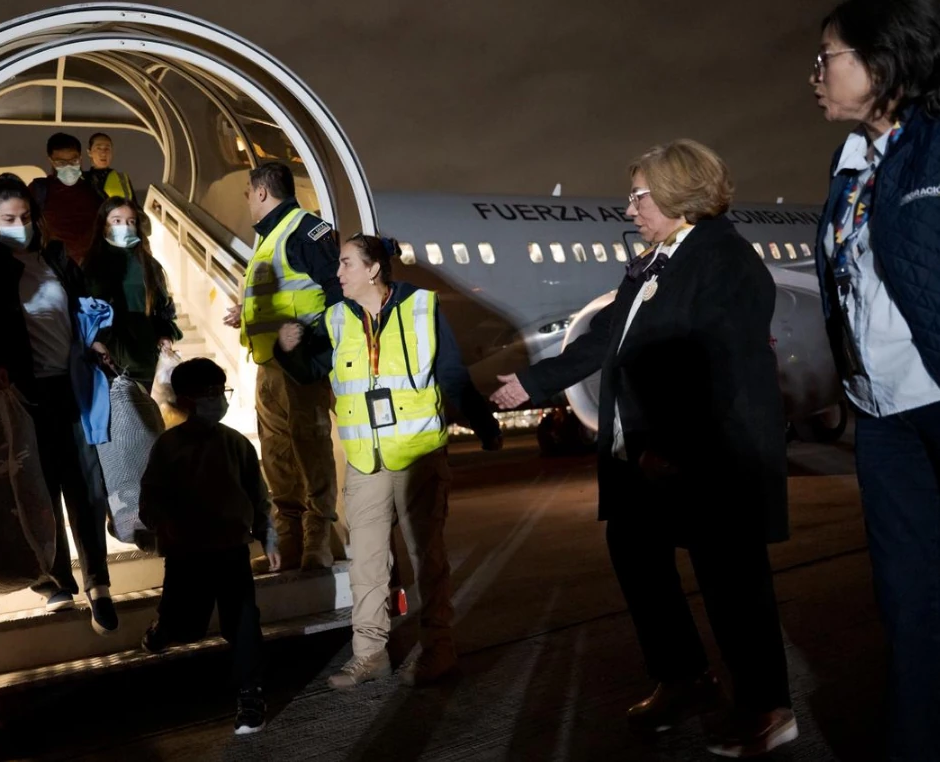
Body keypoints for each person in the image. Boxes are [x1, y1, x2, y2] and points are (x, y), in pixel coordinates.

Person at [491, 140, 796, 757]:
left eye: (638, 194)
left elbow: (720, 370)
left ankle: (767, 706)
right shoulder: (656, 262)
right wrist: (532, 382)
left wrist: (673, 445)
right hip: (644, 457)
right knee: (636, 555)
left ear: (679, 190)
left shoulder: (723, 261)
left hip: (709, 457)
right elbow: (605, 338)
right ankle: (684, 679)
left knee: (732, 582)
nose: (629, 208)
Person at [276, 233, 502, 690]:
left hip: (418, 454)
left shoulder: (421, 307)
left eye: (345, 264)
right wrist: (287, 350)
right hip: (365, 460)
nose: (337, 274)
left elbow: (452, 375)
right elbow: (311, 373)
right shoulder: (336, 318)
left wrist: (485, 426)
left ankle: (438, 651)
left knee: (427, 559)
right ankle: (369, 656)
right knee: (368, 564)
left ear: (374, 269)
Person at [809, 2, 940, 758]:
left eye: (829, 56)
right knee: (907, 599)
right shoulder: (850, 163)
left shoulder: (933, 149)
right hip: (885, 416)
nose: (816, 75)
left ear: (882, 63)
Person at [0, 173, 118, 636]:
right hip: (25, 396)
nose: (21, 225)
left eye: (26, 216)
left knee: (87, 487)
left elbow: (82, 307)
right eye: (9, 218)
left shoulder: (54, 257)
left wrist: (96, 341)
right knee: (40, 489)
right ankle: (54, 580)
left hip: (72, 388)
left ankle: (99, 584)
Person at [139, 357, 277, 735]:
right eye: (209, 394)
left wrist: (268, 536)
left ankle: (251, 696)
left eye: (221, 391)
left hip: (232, 550)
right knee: (186, 622)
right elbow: (150, 497)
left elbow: (258, 494)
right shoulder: (168, 447)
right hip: (186, 553)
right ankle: (166, 626)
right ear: (186, 401)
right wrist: (163, 526)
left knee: (244, 624)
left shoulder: (236, 445)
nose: (219, 399)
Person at [224, 161, 343, 572]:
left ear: (260, 192)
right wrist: (246, 312)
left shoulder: (306, 230)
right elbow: (286, 297)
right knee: (276, 455)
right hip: (268, 367)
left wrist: (317, 355)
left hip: (298, 366)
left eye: (247, 193)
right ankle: (288, 544)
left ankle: (318, 542)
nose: (247, 201)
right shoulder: (270, 238)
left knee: (311, 450)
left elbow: (337, 294)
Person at [83, 196, 182, 387]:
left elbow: (163, 309)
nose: (125, 226)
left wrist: (165, 335)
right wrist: (96, 343)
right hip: (109, 362)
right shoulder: (92, 265)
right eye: (117, 220)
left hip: (146, 358)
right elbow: (85, 313)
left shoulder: (149, 265)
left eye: (131, 221)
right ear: (104, 225)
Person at [29, 132, 104, 266]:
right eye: (61, 162)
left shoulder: (96, 186)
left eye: (73, 160)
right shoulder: (39, 190)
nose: (68, 166)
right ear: (51, 160)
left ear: (80, 158)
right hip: (55, 271)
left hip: (93, 270)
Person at [86, 132, 137, 203]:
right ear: (89, 152)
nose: (103, 153)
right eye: (99, 148)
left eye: (107, 148)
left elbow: (134, 206)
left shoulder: (122, 179)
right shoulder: (83, 179)